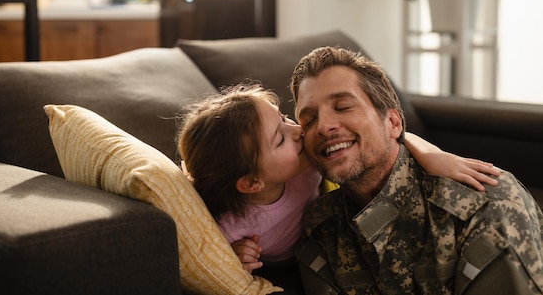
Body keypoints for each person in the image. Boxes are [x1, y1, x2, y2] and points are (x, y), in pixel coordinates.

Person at [177, 82, 500, 292]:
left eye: (286, 120)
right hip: (305, 265)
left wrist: (433, 155)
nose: (298, 131)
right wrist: (235, 257)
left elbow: (388, 138)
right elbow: (202, 267)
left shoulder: (305, 164)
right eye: (280, 138)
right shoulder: (230, 224)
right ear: (251, 183)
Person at [290, 46, 543, 294]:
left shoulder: (485, 208)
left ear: (392, 123)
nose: (323, 126)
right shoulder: (319, 230)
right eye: (309, 119)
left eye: (343, 106)